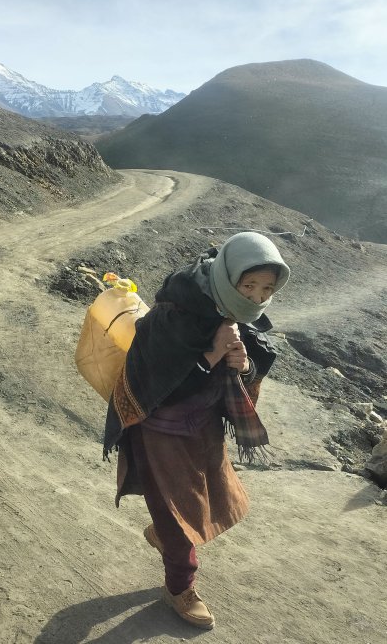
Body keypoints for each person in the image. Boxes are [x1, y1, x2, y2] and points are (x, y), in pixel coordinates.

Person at [103, 231, 290, 630]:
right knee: (180, 516)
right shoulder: (175, 313)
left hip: (202, 428)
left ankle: (163, 532)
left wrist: (243, 366)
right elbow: (158, 381)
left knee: (208, 502)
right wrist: (212, 355)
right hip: (159, 431)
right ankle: (179, 587)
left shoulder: (232, 314)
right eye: (249, 286)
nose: (256, 298)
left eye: (266, 290)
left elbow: (251, 363)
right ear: (228, 277)